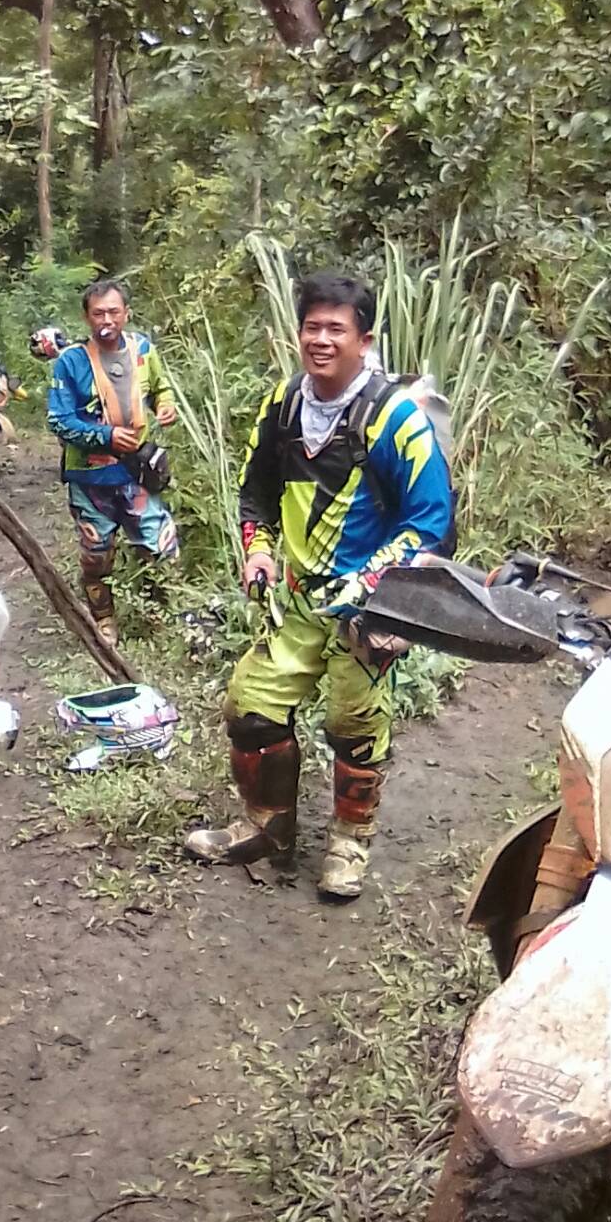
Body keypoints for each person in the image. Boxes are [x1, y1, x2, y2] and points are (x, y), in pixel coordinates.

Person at [186, 271, 453, 899]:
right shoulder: (283, 406)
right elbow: (255, 492)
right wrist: (258, 550)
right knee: (250, 709)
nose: (322, 340)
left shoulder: (395, 419)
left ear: (365, 340)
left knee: (355, 725)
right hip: (301, 600)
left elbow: (431, 521)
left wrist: (370, 582)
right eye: (312, 327)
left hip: (371, 609)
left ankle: (349, 844)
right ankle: (267, 828)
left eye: (337, 328)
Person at [47, 279, 178, 647]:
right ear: (86, 318)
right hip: (90, 478)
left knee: (160, 545)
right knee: (96, 554)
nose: (107, 320)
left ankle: (164, 617)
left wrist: (166, 406)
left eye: (114, 312)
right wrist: (105, 436)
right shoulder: (71, 361)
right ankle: (103, 620)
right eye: (98, 313)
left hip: (138, 471)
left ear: (127, 314)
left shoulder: (143, 350)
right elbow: (58, 419)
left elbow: (161, 388)